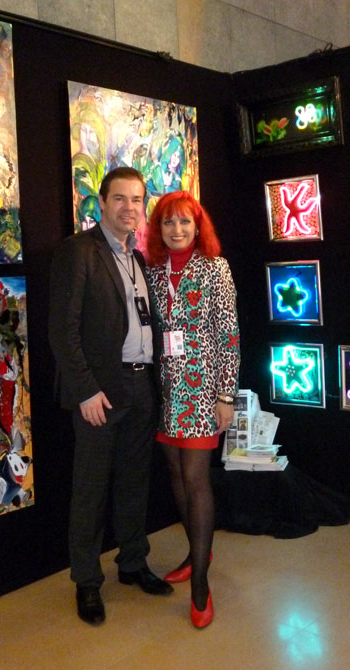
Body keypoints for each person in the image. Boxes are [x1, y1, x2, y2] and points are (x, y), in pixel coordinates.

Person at [48, 167, 173, 626]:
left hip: (141, 386)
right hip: (100, 392)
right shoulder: (79, 251)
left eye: (136, 200)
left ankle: (133, 563)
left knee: (134, 482)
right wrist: (86, 390)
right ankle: (86, 580)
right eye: (119, 198)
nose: (129, 208)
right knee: (91, 488)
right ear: (102, 202)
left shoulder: (137, 258)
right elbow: (62, 331)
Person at [145, 191, 240, 628]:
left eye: (185, 221)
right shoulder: (152, 270)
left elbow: (229, 335)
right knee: (177, 477)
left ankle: (201, 585)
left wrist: (226, 395)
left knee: (196, 478)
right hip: (165, 389)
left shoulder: (215, 268)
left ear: (197, 226)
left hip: (203, 389)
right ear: (159, 229)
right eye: (169, 222)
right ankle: (197, 551)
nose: (177, 230)